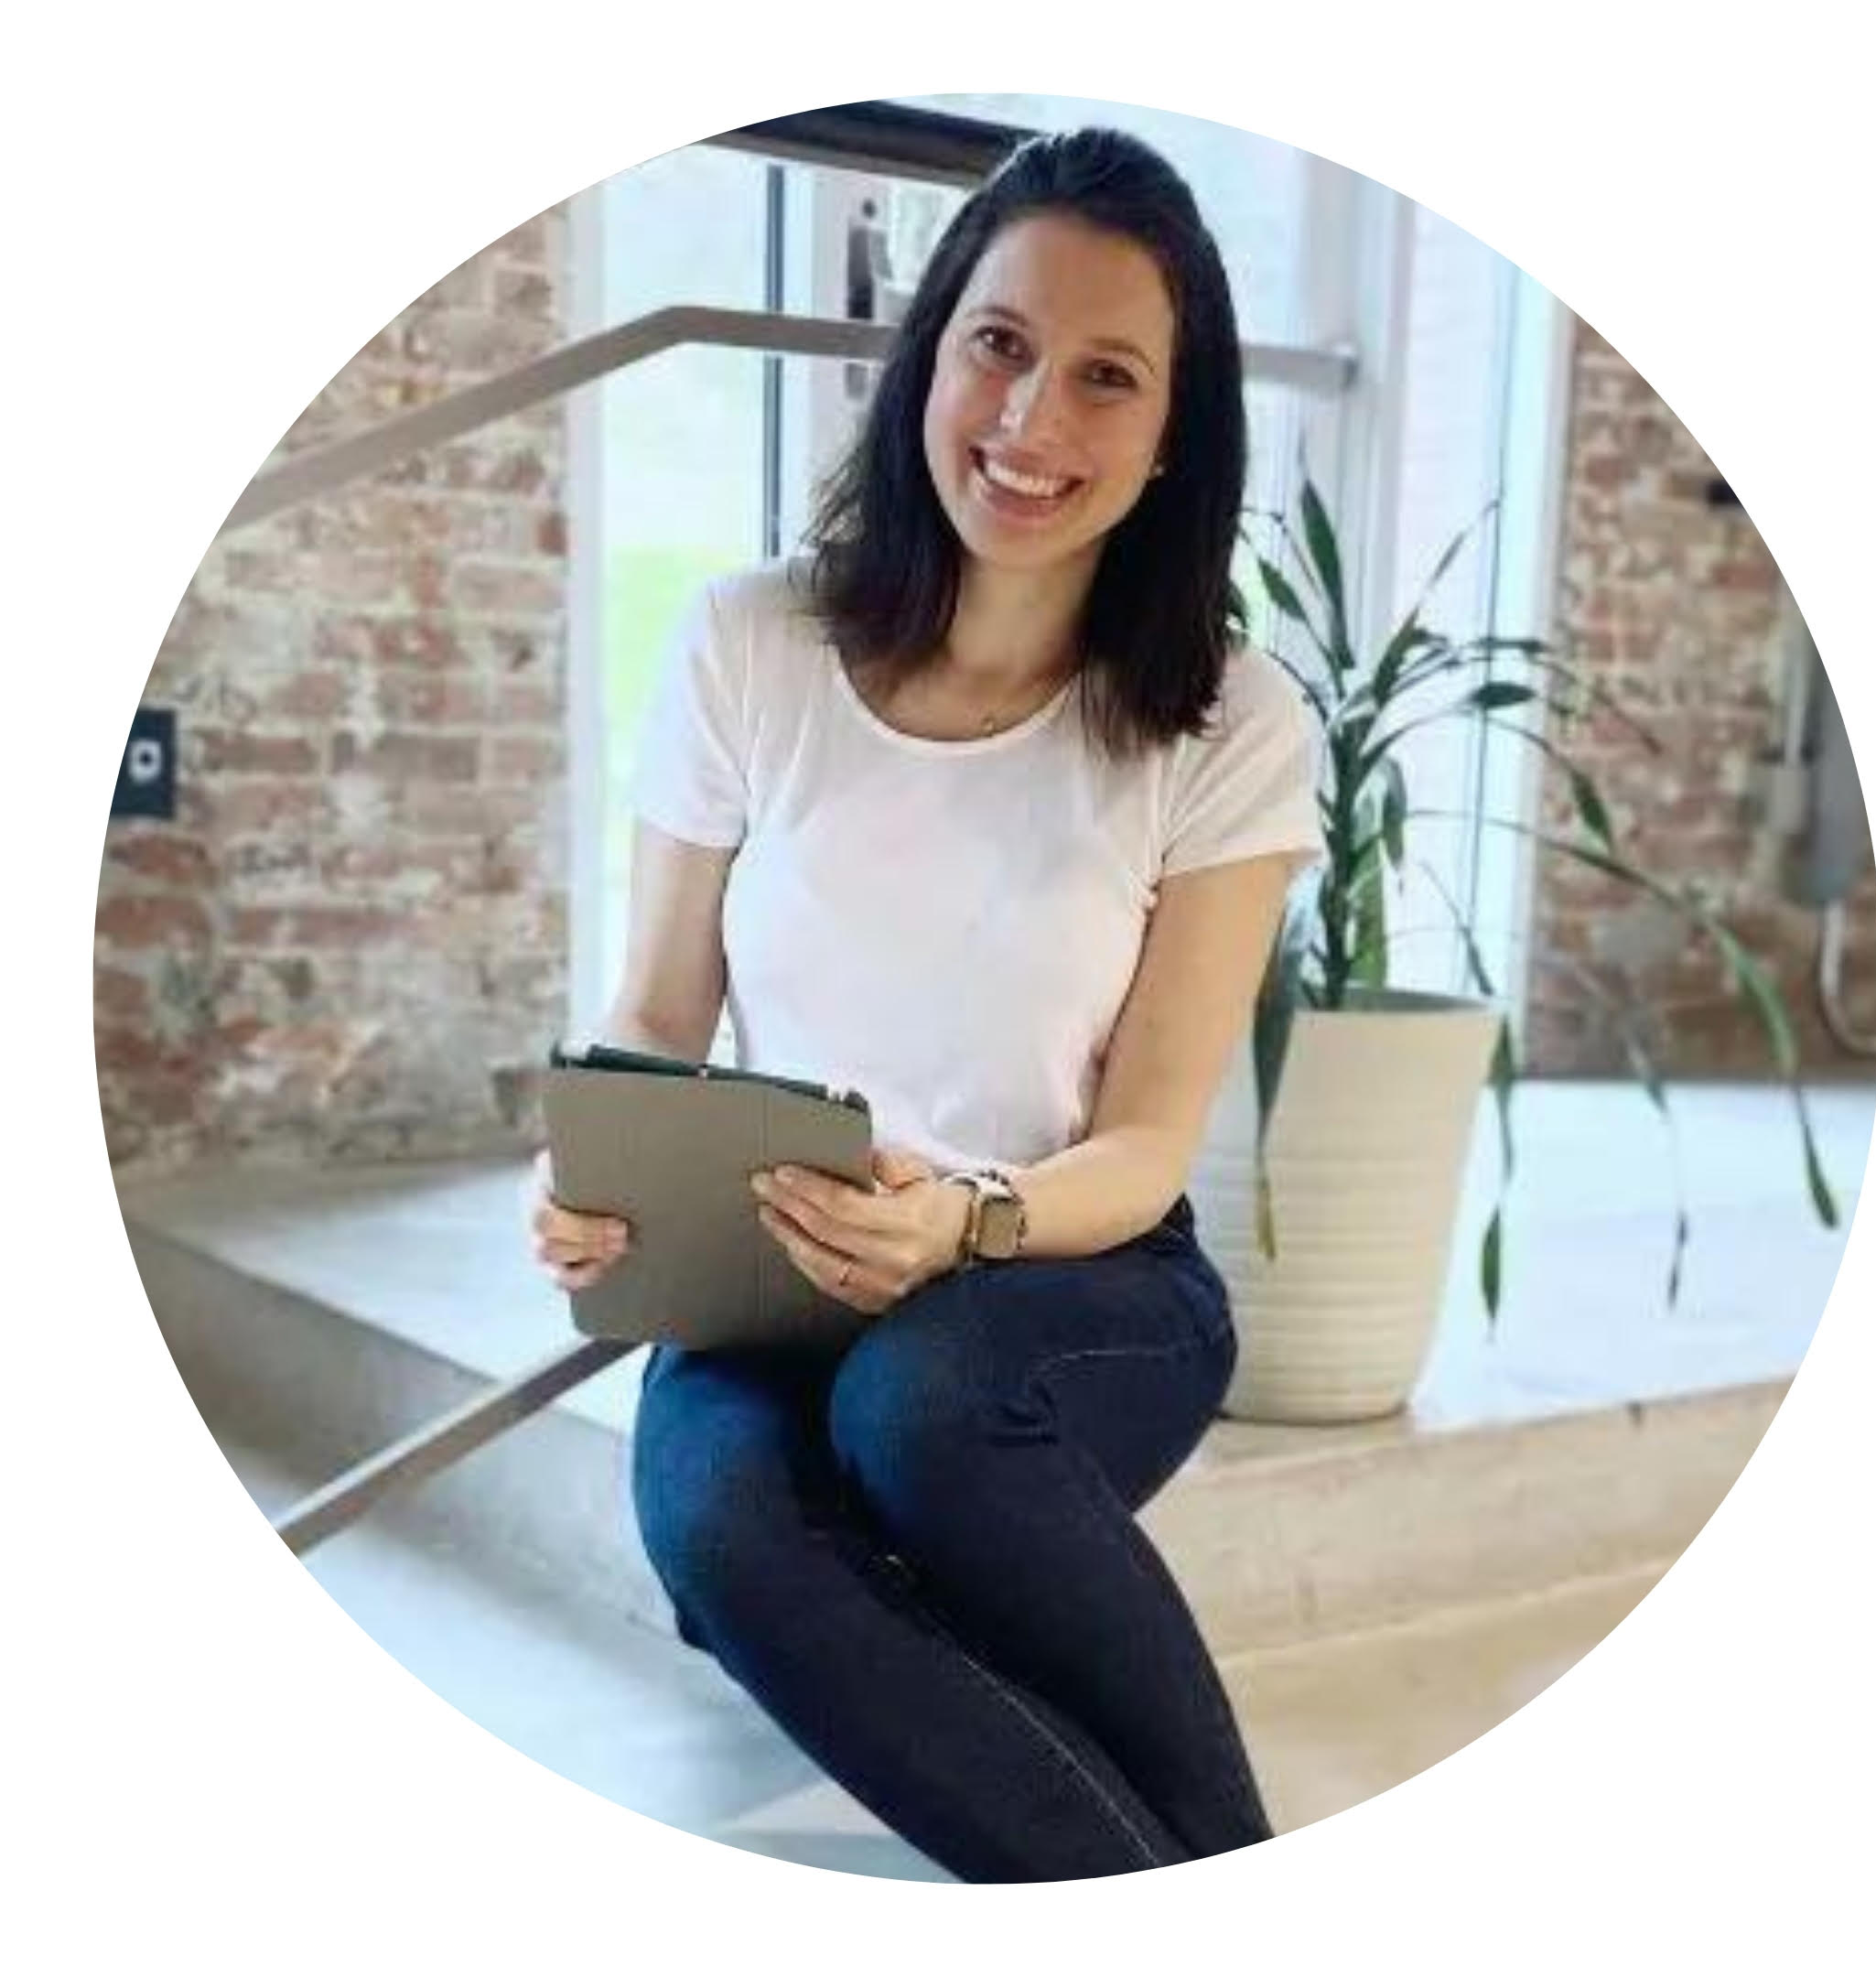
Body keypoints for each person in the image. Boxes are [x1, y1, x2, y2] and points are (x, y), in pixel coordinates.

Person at [527, 126, 1323, 1883]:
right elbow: (660, 1005)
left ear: (1174, 433)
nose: (1035, 421)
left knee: (927, 1413)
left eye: (1108, 377)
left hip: (1075, 1268)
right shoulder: (753, 644)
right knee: (725, 1532)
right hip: (764, 1272)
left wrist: (963, 1222)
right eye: (1002, 344)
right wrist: (595, 1169)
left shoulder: (1227, 722)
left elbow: (1146, 1142)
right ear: (932, 348)